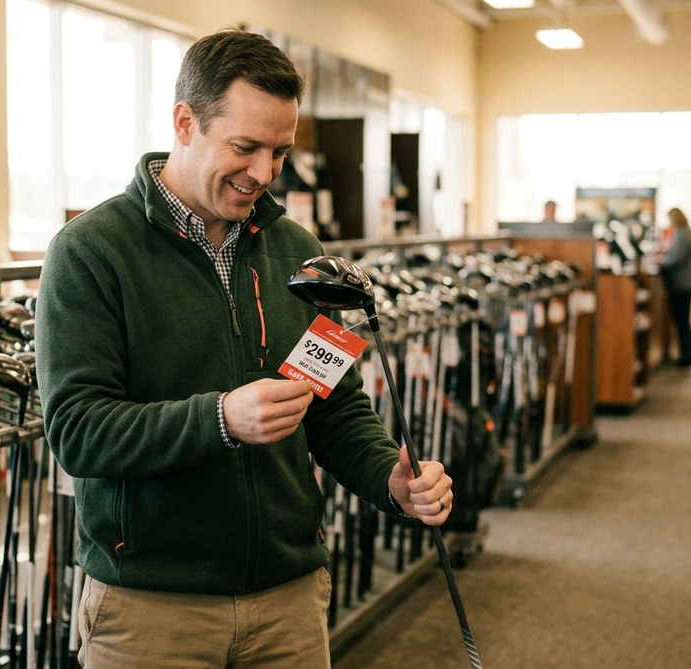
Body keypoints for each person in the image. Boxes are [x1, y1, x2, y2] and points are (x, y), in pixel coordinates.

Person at [35, 29, 453, 669]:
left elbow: (332, 407)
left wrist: (388, 478)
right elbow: (78, 432)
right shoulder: (91, 252)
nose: (264, 173)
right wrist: (220, 419)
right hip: (151, 610)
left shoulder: (297, 251)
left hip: (289, 600)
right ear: (185, 123)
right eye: (245, 147)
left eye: (280, 151)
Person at [658, 208, 691, 366]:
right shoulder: (686, 233)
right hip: (687, 282)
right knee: (683, 320)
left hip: (683, 283)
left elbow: (676, 259)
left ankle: (687, 356)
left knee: (682, 321)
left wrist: (660, 261)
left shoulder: (683, 234)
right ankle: (686, 353)